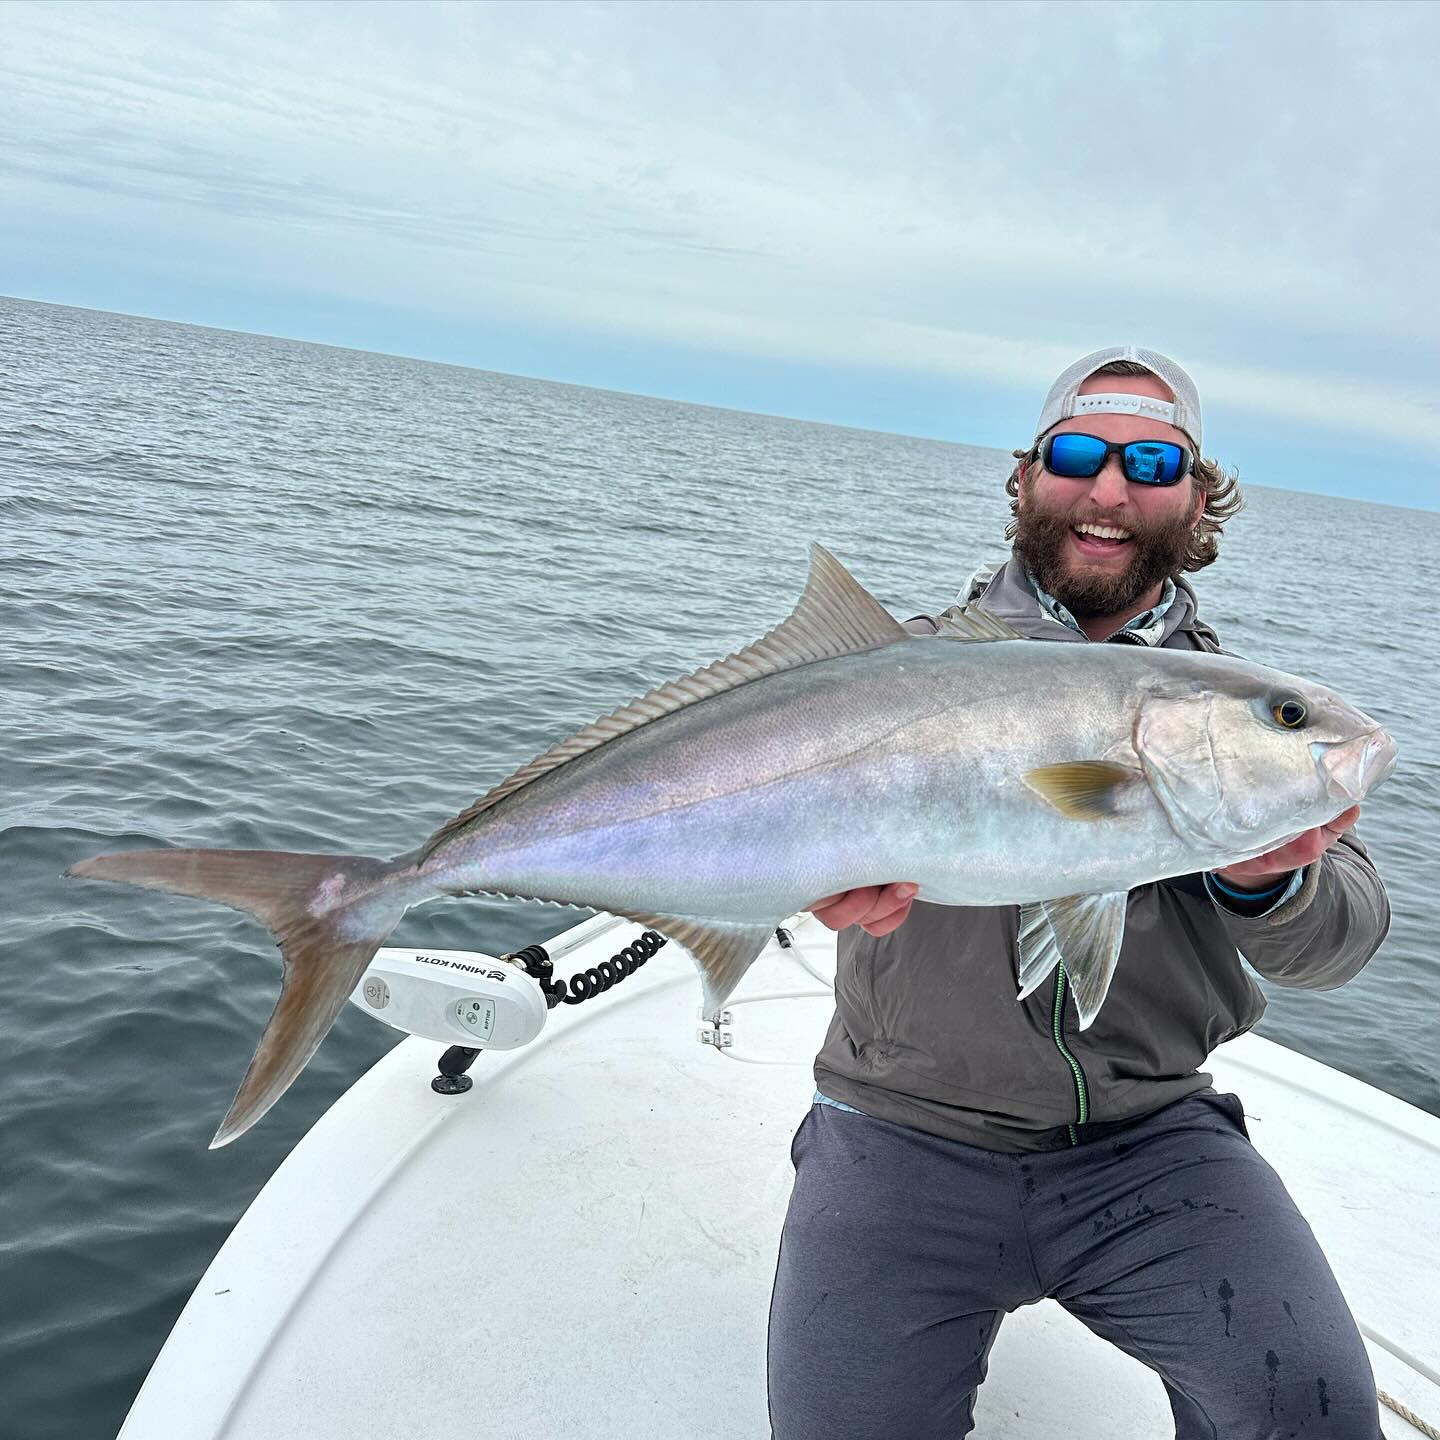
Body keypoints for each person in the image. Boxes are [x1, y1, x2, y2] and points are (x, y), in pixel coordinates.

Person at [768, 347, 1391, 1439]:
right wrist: (791, 869)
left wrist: (1266, 882)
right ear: (1027, 478)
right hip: (898, 1129)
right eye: (1077, 454)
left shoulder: (1238, 718)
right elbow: (734, 810)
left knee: (1317, 1415)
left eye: (1151, 461)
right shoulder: (886, 672)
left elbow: (1340, 942)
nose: (1109, 490)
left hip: (1153, 1141)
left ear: (1196, 499)